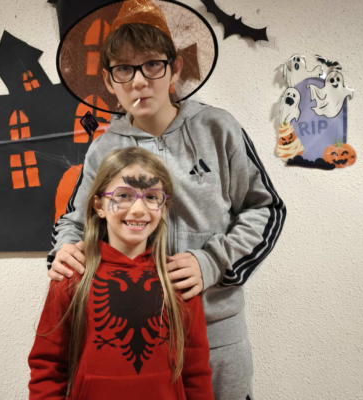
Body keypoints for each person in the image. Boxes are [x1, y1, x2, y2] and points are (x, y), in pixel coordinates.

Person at [49, 1, 287, 398]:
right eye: (124, 69)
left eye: (152, 65)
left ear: (175, 68)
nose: (139, 81)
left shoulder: (218, 128)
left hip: (216, 333)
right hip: (136, 338)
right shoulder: (103, 149)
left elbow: (265, 208)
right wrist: (65, 250)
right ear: (109, 79)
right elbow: (76, 220)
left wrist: (211, 262)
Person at [29, 147, 214, 400]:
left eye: (152, 197)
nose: (138, 209)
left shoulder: (178, 278)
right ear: (99, 206)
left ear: (163, 207)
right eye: (124, 195)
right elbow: (47, 367)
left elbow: (196, 371)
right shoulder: (73, 275)